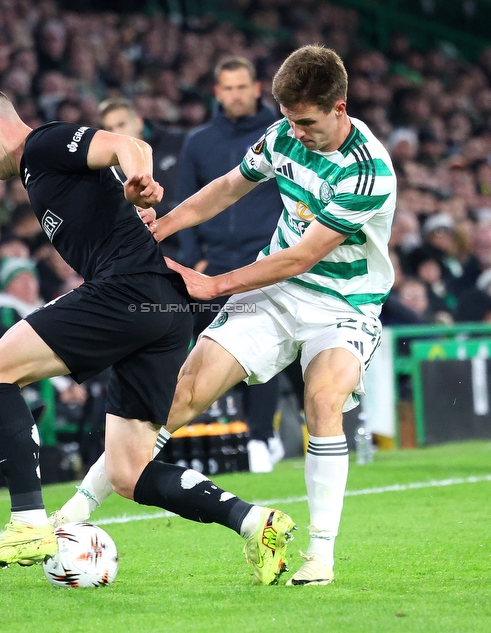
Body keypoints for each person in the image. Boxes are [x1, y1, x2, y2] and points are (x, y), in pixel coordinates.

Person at [54, 45, 396, 586]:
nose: (297, 133)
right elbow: (231, 186)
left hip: (344, 304)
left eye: (307, 122)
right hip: (276, 294)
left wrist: (214, 284)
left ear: (340, 107)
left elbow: (304, 255)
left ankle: (321, 554)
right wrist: (163, 227)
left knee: (324, 401)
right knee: (181, 394)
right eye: (289, 120)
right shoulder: (283, 135)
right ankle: (75, 510)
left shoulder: (368, 171)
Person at [0, 82, 294, 583]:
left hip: (130, 291)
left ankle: (26, 520)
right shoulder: (38, 174)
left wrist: (140, 180)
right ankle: (257, 523)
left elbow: (129, 145)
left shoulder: (42, 146)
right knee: (128, 473)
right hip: (162, 308)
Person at [173, 56, 286, 472]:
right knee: (214, 354)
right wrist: (192, 257)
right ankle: (242, 436)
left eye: (242, 87)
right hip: (213, 266)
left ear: (257, 88)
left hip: (266, 260)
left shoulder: (281, 133)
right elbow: (186, 197)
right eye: (228, 88)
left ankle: (260, 437)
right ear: (217, 92)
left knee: (261, 348)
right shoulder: (199, 142)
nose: (236, 95)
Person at [99, 98, 186, 259]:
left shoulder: (176, 144)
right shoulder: (106, 175)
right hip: (156, 254)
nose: (116, 133)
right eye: (110, 128)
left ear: (138, 123)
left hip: (195, 238)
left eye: (121, 124)